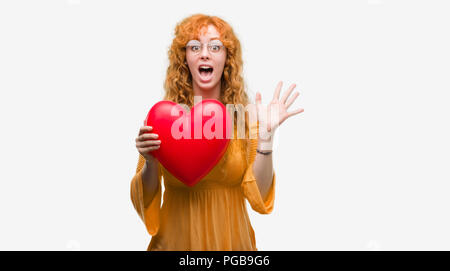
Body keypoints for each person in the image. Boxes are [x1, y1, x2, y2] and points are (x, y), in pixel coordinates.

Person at [130, 14, 304, 251]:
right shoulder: (162, 119)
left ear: (227, 58)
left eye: (215, 46)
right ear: (185, 59)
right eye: (194, 46)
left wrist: (266, 137)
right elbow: (146, 199)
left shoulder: (247, 118)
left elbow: (260, 198)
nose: (205, 53)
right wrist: (150, 161)